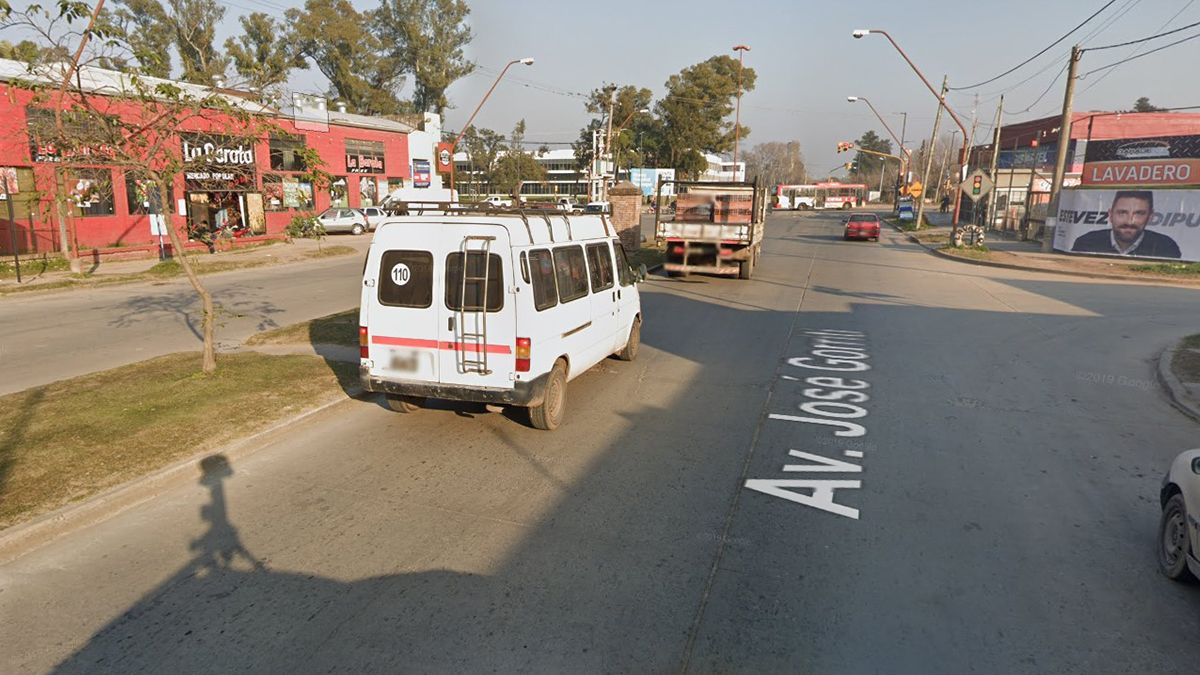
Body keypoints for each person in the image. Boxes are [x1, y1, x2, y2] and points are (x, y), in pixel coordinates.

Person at [1069, 190, 1181, 259]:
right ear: (1110, 215)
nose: (1129, 221)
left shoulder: (1166, 247)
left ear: (1150, 216)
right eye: (1122, 213)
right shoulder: (1086, 243)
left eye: (1139, 213)